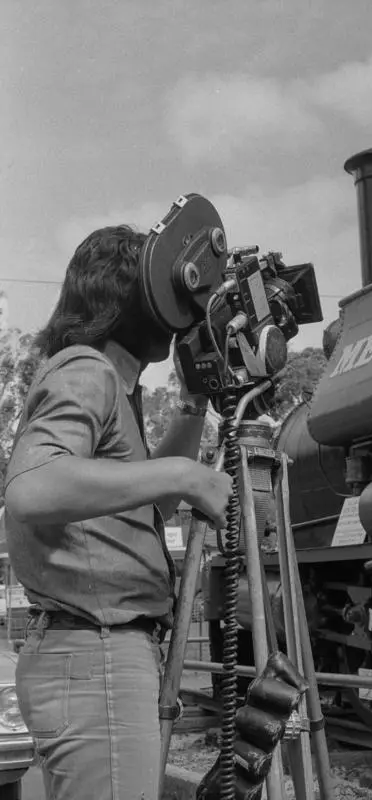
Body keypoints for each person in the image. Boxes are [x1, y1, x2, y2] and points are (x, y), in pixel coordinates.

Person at [4, 225, 233, 800]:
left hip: (98, 652)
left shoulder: (111, 387)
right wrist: (186, 474)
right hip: (98, 652)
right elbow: (32, 486)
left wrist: (193, 400)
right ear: (131, 295)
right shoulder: (87, 368)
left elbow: (147, 506)